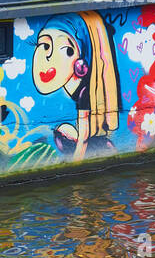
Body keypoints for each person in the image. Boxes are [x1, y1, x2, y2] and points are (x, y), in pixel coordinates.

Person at [32, 11, 121, 161]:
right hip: (86, 145)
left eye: (68, 50)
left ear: (82, 61)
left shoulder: (84, 93)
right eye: (45, 45)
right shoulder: (74, 86)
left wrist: (76, 160)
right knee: (61, 129)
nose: (48, 57)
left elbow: (84, 137)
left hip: (92, 148)